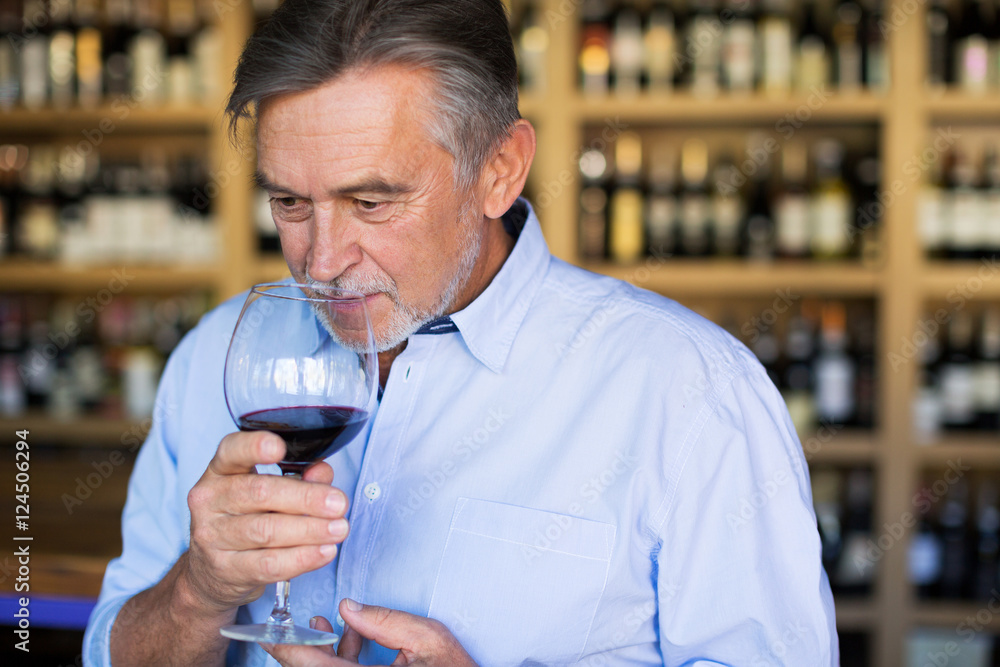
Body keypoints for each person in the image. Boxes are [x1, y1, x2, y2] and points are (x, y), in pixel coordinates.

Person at [83, 0, 838, 664]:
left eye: (372, 203)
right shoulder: (215, 357)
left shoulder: (691, 393)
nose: (322, 260)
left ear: (499, 169)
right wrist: (198, 592)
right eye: (289, 202)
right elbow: (111, 651)